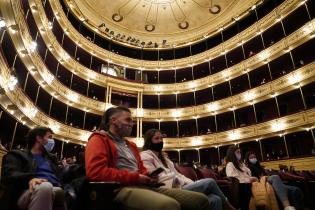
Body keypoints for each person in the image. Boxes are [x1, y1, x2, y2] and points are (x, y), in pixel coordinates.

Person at [85, 106, 210, 210]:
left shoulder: (131, 145)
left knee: (201, 200)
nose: (132, 124)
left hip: (144, 186)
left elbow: (141, 169)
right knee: (170, 205)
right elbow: (96, 172)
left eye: (132, 121)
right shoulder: (99, 139)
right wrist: (136, 177)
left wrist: (149, 177)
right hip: (119, 188)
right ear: (113, 121)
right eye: (128, 120)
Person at [140, 129, 236, 210]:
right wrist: (177, 179)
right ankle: (227, 206)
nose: (160, 141)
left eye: (161, 138)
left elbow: (178, 174)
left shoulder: (165, 159)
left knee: (215, 199)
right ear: (149, 141)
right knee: (210, 182)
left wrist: (191, 183)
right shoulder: (145, 155)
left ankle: (224, 203)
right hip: (168, 188)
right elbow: (155, 177)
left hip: (180, 185)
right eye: (157, 138)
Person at [0, 127, 66, 210]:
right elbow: (8, 175)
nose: (52, 141)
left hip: (57, 191)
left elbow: (62, 177)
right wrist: (30, 179)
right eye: (49, 137)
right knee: (45, 187)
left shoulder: (52, 159)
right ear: (38, 138)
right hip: (28, 191)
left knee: (61, 192)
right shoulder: (17, 155)